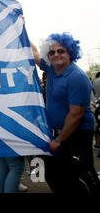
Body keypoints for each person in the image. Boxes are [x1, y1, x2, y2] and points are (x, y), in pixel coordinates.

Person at [31, 32, 99, 194]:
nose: (56, 55)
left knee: (80, 178)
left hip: (77, 135)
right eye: (52, 52)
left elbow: (76, 115)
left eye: (61, 51)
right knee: (54, 175)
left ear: (70, 53)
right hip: (58, 134)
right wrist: (21, 26)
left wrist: (59, 140)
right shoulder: (52, 68)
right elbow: (33, 54)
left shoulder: (77, 77)